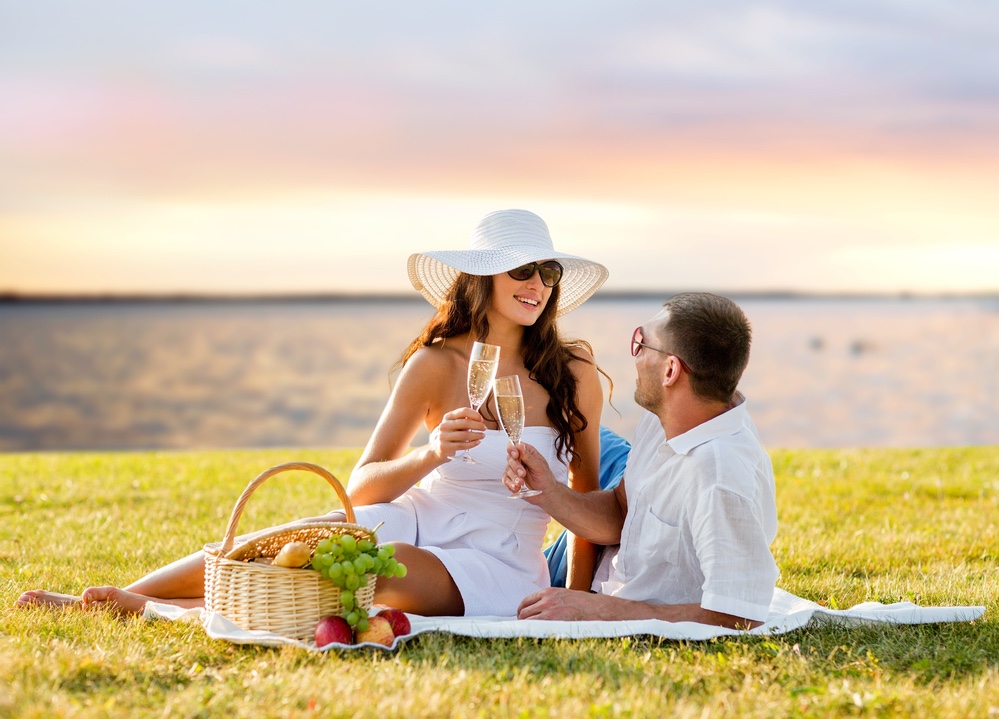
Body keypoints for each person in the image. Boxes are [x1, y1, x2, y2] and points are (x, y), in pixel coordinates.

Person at [17, 209, 609, 617]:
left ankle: (159, 609)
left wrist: (579, 603)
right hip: (412, 518)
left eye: (548, 273)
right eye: (524, 270)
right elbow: (364, 484)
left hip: (496, 560)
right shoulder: (434, 365)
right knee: (293, 542)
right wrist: (433, 454)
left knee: (369, 567)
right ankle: (125, 597)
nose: (538, 285)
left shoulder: (572, 372)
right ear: (483, 277)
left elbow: (586, 501)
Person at [504, 292, 779, 629]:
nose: (633, 355)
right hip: (615, 558)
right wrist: (548, 490)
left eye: (641, 343)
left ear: (670, 370)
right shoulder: (666, 416)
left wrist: (596, 608)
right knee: (574, 425)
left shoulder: (718, 477)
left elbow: (738, 614)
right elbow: (621, 510)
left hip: (610, 584)